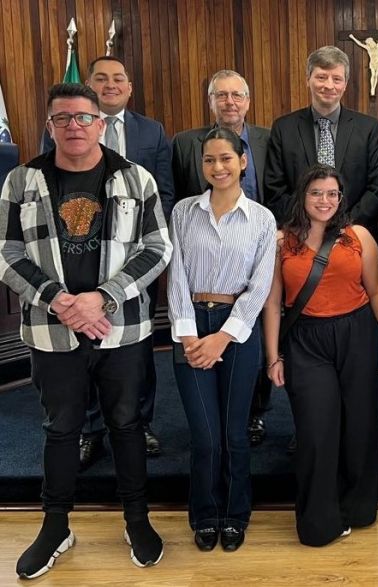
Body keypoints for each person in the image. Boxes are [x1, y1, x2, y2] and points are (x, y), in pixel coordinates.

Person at [2, 83, 172, 578]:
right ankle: (55, 526)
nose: (73, 126)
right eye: (62, 119)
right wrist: (59, 299)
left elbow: (157, 246)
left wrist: (104, 296)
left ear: (101, 123)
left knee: (127, 424)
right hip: (52, 332)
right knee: (61, 430)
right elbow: (5, 251)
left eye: (82, 117)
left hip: (122, 330)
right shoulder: (22, 180)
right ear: (50, 126)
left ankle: (137, 519)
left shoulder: (135, 178)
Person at [40, 56, 175, 468]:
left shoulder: (151, 131)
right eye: (102, 78)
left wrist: (135, 254)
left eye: (119, 79)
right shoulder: (67, 127)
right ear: (91, 86)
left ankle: (139, 422)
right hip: (74, 261)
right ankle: (91, 430)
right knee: (83, 350)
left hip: (134, 265)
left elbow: (164, 194)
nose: (111, 84)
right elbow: (50, 190)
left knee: (136, 348)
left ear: (129, 87)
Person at [263, 164, 378, 546]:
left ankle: (358, 508)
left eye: (332, 194)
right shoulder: (281, 241)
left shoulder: (359, 237)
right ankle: (319, 521)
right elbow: (272, 305)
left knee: (360, 425)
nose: (325, 200)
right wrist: (273, 357)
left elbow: (377, 292)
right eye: (316, 193)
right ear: (303, 197)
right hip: (306, 341)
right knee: (317, 430)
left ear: (341, 198)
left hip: (357, 334)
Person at [167, 128, 276, 552]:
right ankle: (205, 513)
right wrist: (191, 334)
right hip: (190, 322)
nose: (218, 167)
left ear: (243, 161)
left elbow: (260, 287)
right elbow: (175, 276)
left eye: (226, 158)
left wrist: (223, 338)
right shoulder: (182, 213)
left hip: (237, 328)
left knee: (233, 432)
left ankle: (235, 514)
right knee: (205, 435)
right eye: (210, 160)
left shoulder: (262, 219)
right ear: (202, 166)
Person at [172, 69, 273, 448]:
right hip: (201, 253)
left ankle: (255, 415)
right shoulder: (184, 143)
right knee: (207, 427)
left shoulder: (266, 138)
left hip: (255, 252)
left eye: (237, 95)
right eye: (221, 95)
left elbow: (276, 186)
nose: (230, 102)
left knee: (252, 355)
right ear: (211, 101)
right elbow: (175, 195)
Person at [264, 46, 378, 231]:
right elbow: (274, 189)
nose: (329, 85)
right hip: (300, 234)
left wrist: (344, 226)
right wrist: (309, 225)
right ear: (308, 80)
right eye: (321, 77)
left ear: (345, 84)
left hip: (354, 233)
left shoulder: (370, 129)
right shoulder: (283, 128)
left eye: (337, 79)